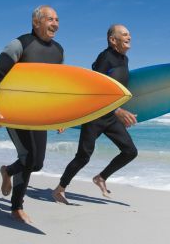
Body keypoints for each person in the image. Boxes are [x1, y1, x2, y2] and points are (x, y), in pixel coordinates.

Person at [0, 5, 64, 223]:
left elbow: (55, 87)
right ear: (36, 22)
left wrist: (61, 116)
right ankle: (16, 208)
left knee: (37, 163)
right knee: (28, 158)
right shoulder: (20, 44)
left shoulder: (58, 51)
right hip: (16, 111)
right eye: (50, 19)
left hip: (39, 114)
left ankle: (8, 171)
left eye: (57, 19)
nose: (55, 24)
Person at [52, 24, 138, 204]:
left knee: (130, 151)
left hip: (110, 117)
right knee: (83, 156)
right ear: (113, 40)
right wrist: (67, 118)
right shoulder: (105, 57)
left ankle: (101, 178)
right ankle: (60, 189)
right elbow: (93, 90)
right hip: (95, 116)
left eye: (129, 33)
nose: (129, 36)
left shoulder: (124, 59)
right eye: (124, 34)